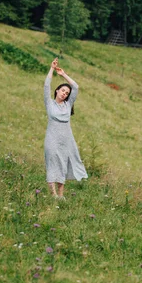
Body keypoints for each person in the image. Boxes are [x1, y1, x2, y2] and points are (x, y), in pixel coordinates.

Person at [43, 58, 88, 199]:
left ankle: (61, 196)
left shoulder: (68, 106)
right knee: (52, 164)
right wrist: (52, 68)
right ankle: (53, 194)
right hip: (52, 140)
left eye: (67, 93)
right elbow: (46, 85)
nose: (65, 93)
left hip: (65, 142)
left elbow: (76, 87)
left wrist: (63, 74)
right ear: (57, 91)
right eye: (63, 91)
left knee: (62, 165)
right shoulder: (49, 104)